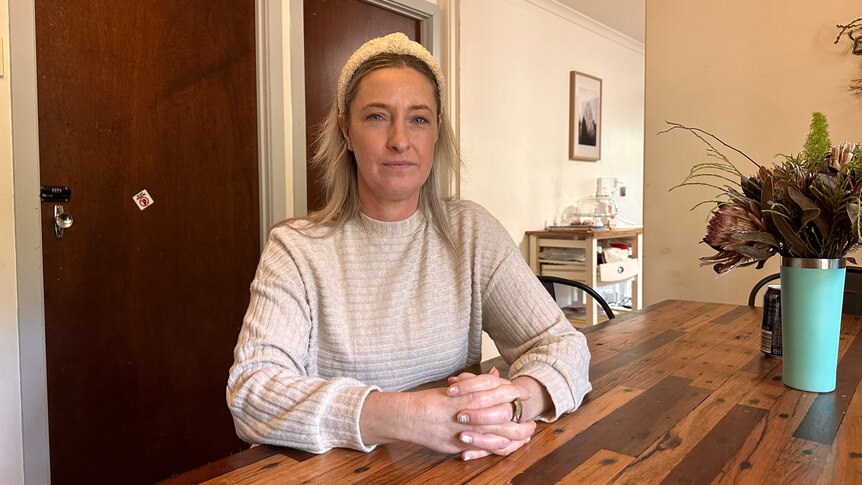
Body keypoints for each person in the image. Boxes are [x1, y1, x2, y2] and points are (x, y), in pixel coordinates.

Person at [226, 32, 591, 461]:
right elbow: (252, 392)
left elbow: (564, 344)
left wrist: (512, 403)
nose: (400, 139)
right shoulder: (296, 249)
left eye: (419, 119)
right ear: (346, 130)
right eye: (377, 117)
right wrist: (405, 416)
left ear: (436, 133)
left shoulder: (470, 232)